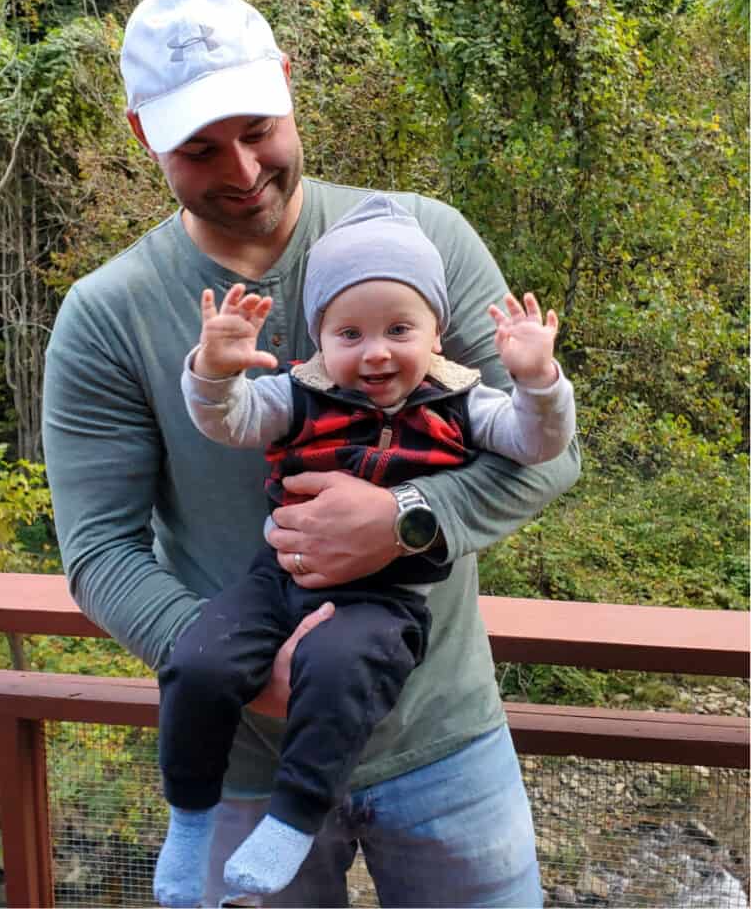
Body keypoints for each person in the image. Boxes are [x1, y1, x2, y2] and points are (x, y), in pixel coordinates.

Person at [42, 0, 581, 908]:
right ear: (143, 138)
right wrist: (246, 673)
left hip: (444, 737)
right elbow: (99, 552)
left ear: (288, 87)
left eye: (258, 129)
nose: (243, 169)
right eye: (200, 148)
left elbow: (547, 447)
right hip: (241, 771)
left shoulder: (427, 241)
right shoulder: (108, 314)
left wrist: (408, 519)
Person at [154, 192, 576, 906]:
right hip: (278, 575)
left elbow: (539, 445)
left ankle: (292, 819)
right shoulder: (301, 393)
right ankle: (190, 820)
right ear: (321, 341)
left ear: (437, 334)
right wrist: (214, 373)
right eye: (348, 333)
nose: (375, 351)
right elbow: (231, 422)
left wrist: (538, 381)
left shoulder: (461, 401)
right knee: (198, 662)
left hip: (384, 597)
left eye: (399, 328)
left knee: (338, 664)